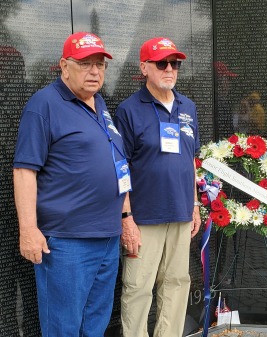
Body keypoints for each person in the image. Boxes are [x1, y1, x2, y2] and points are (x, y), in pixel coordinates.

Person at [13, 32, 130, 336]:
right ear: (64, 66)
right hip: (67, 242)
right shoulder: (44, 105)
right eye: (85, 64)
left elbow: (118, 165)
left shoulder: (101, 104)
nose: (95, 72)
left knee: (96, 326)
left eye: (100, 65)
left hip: (107, 237)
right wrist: (28, 229)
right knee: (62, 328)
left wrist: (126, 218)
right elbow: (25, 171)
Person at [114, 37, 201, 337]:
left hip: (180, 212)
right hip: (144, 216)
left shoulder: (188, 107)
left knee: (178, 283)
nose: (169, 69)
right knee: (138, 287)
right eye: (161, 63)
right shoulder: (128, 110)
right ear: (144, 67)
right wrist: (127, 219)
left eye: (174, 63)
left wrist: (195, 205)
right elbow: (119, 166)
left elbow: (191, 160)